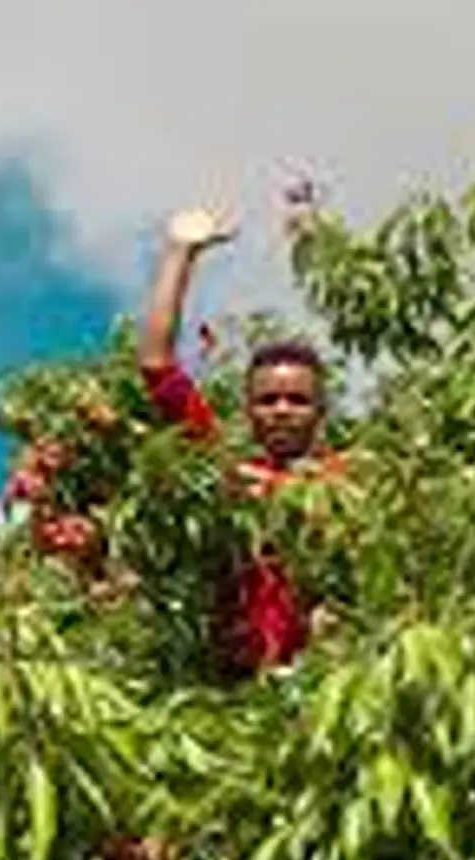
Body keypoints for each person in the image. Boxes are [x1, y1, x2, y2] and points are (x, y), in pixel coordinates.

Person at [135, 205, 340, 675]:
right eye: (268, 400)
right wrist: (179, 254)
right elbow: (156, 366)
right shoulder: (226, 469)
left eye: (296, 400)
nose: (282, 410)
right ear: (248, 411)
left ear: (320, 411)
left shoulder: (351, 479)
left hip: (329, 680)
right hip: (234, 681)